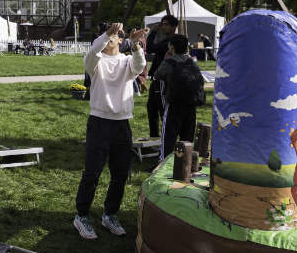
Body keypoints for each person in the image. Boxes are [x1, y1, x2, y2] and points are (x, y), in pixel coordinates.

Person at [73, 21, 147, 240]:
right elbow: (94, 50)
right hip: (99, 122)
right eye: (107, 36)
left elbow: (140, 64)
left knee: (120, 174)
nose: (110, 38)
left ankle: (110, 214)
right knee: (92, 172)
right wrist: (107, 34)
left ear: (122, 40)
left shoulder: (127, 61)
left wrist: (136, 45)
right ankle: (82, 216)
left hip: (122, 123)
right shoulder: (94, 62)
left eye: (115, 35)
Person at [154, 34, 201, 160]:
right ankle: (186, 162)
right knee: (187, 136)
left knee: (169, 135)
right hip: (191, 103)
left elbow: (157, 75)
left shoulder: (169, 62)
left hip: (174, 103)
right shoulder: (191, 61)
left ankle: (163, 161)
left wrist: (166, 59)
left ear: (171, 47)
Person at [145, 15, 179, 139]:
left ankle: (167, 138)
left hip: (164, 80)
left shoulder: (171, 42)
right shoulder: (167, 41)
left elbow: (149, 48)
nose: (163, 27)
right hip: (157, 78)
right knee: (152, 108)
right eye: (162, 24)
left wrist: (153, 32)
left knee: (162, 109)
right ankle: (155, 137)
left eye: (165, 24)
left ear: (174, 26)